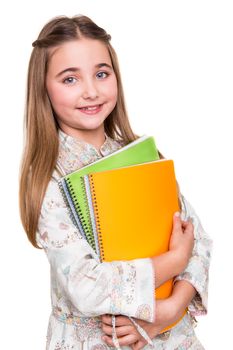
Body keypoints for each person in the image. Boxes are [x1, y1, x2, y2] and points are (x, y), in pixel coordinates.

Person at [19, 15, 212, 350]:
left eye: (101, 73)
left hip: (171, 337)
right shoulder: (47, 178)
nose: (91, 91)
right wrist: (173, 262)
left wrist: (171, 309)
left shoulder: (143, 155)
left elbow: (198, 239)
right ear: (43, 89)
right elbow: (87, 286)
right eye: (70, 79)